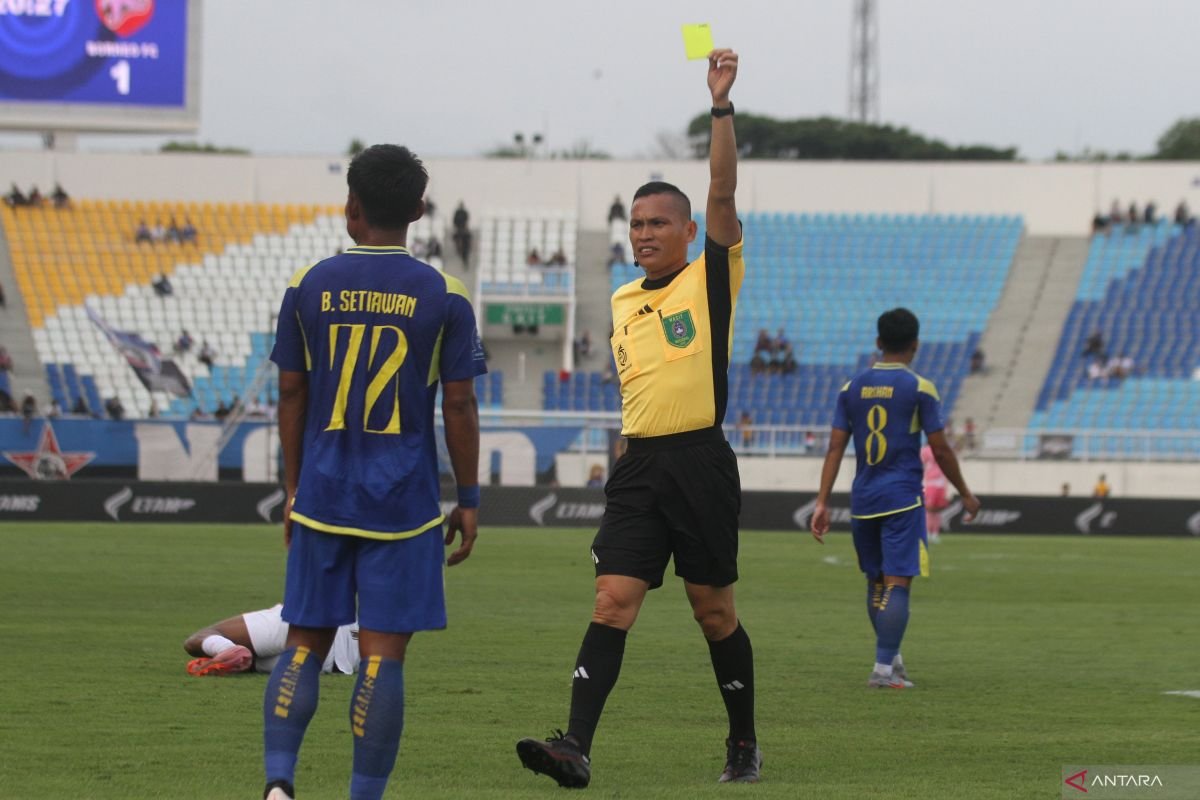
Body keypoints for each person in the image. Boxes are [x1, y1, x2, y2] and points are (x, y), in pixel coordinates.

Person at [516, 48, 761, 787]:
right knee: (611, 600)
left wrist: (720, 104)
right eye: (636, 224)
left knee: (713, 613)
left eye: (659, 223)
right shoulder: (623, 300)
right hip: (639, 465)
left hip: (700, 462)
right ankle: (575, 747)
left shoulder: (710, 277)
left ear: (688, 231)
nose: (645, 233)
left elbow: (722, 189)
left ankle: (742, 742)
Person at [261, 143, 486, 800]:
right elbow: (459, 405)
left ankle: (279, 784)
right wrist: (469, 499)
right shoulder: (445, 295)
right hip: (404, 506)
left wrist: (293, 490)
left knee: (303, 641)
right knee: (382, 656)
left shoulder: (307, 285)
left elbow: (291, 393)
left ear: (350, 207)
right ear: (419, 209)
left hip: (323, 494)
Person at [810, 308, 980, 690]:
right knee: (897, 583)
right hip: (902, 498)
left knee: (876, 584)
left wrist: (822, 501)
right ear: (915, 345)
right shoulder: (920, 388)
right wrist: (966, 493)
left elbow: (835, 447)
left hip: (863, 499)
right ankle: (883, 671)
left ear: (878, 342)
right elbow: (940, 449)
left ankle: (893, 659)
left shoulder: (850, 388)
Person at [184, 603, 360, 677]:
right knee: (249, 664)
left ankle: (225, 648)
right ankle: (234, 653)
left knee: (198, 639)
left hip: (300, 620)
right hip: (332, 661)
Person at [920, 443, 948, 544]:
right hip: (930, 483)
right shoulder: (925, 450)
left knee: (937, 511)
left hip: (941, 484)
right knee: (929, 510)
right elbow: (921, 463)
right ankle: (927, 532)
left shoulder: (942, 448)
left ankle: (935, 533)